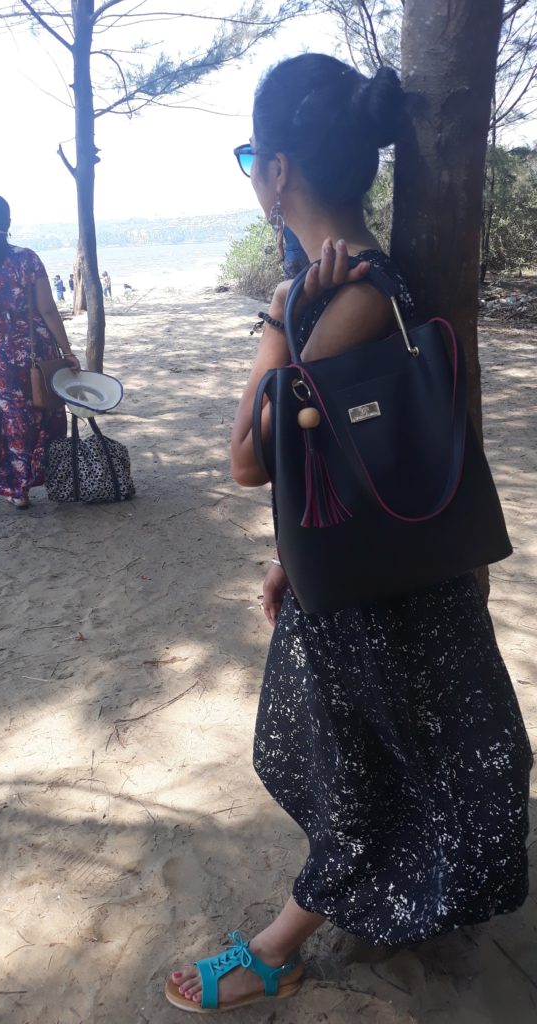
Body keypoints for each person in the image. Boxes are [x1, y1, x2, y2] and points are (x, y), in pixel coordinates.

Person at [166, 54, 532, 1013]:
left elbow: (249, 458)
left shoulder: (347, 297)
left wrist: (284, 313)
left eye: (250, 154)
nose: (251, 172)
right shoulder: (365, 283)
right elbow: (330, 455)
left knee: (362, 773)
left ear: (279, 169)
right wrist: (289, 553)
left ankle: (275, 949)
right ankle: (357, 909)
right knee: (385, 760)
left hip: (378, 596)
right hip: (386, 570)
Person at [0, 194, 80, 508]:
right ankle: (56, 479)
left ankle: (18, 491)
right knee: (48, 412)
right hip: (37, 351)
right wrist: (67, 351)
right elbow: (48, 310)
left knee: (12, 420)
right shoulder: (28, 259)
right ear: (8, 222)